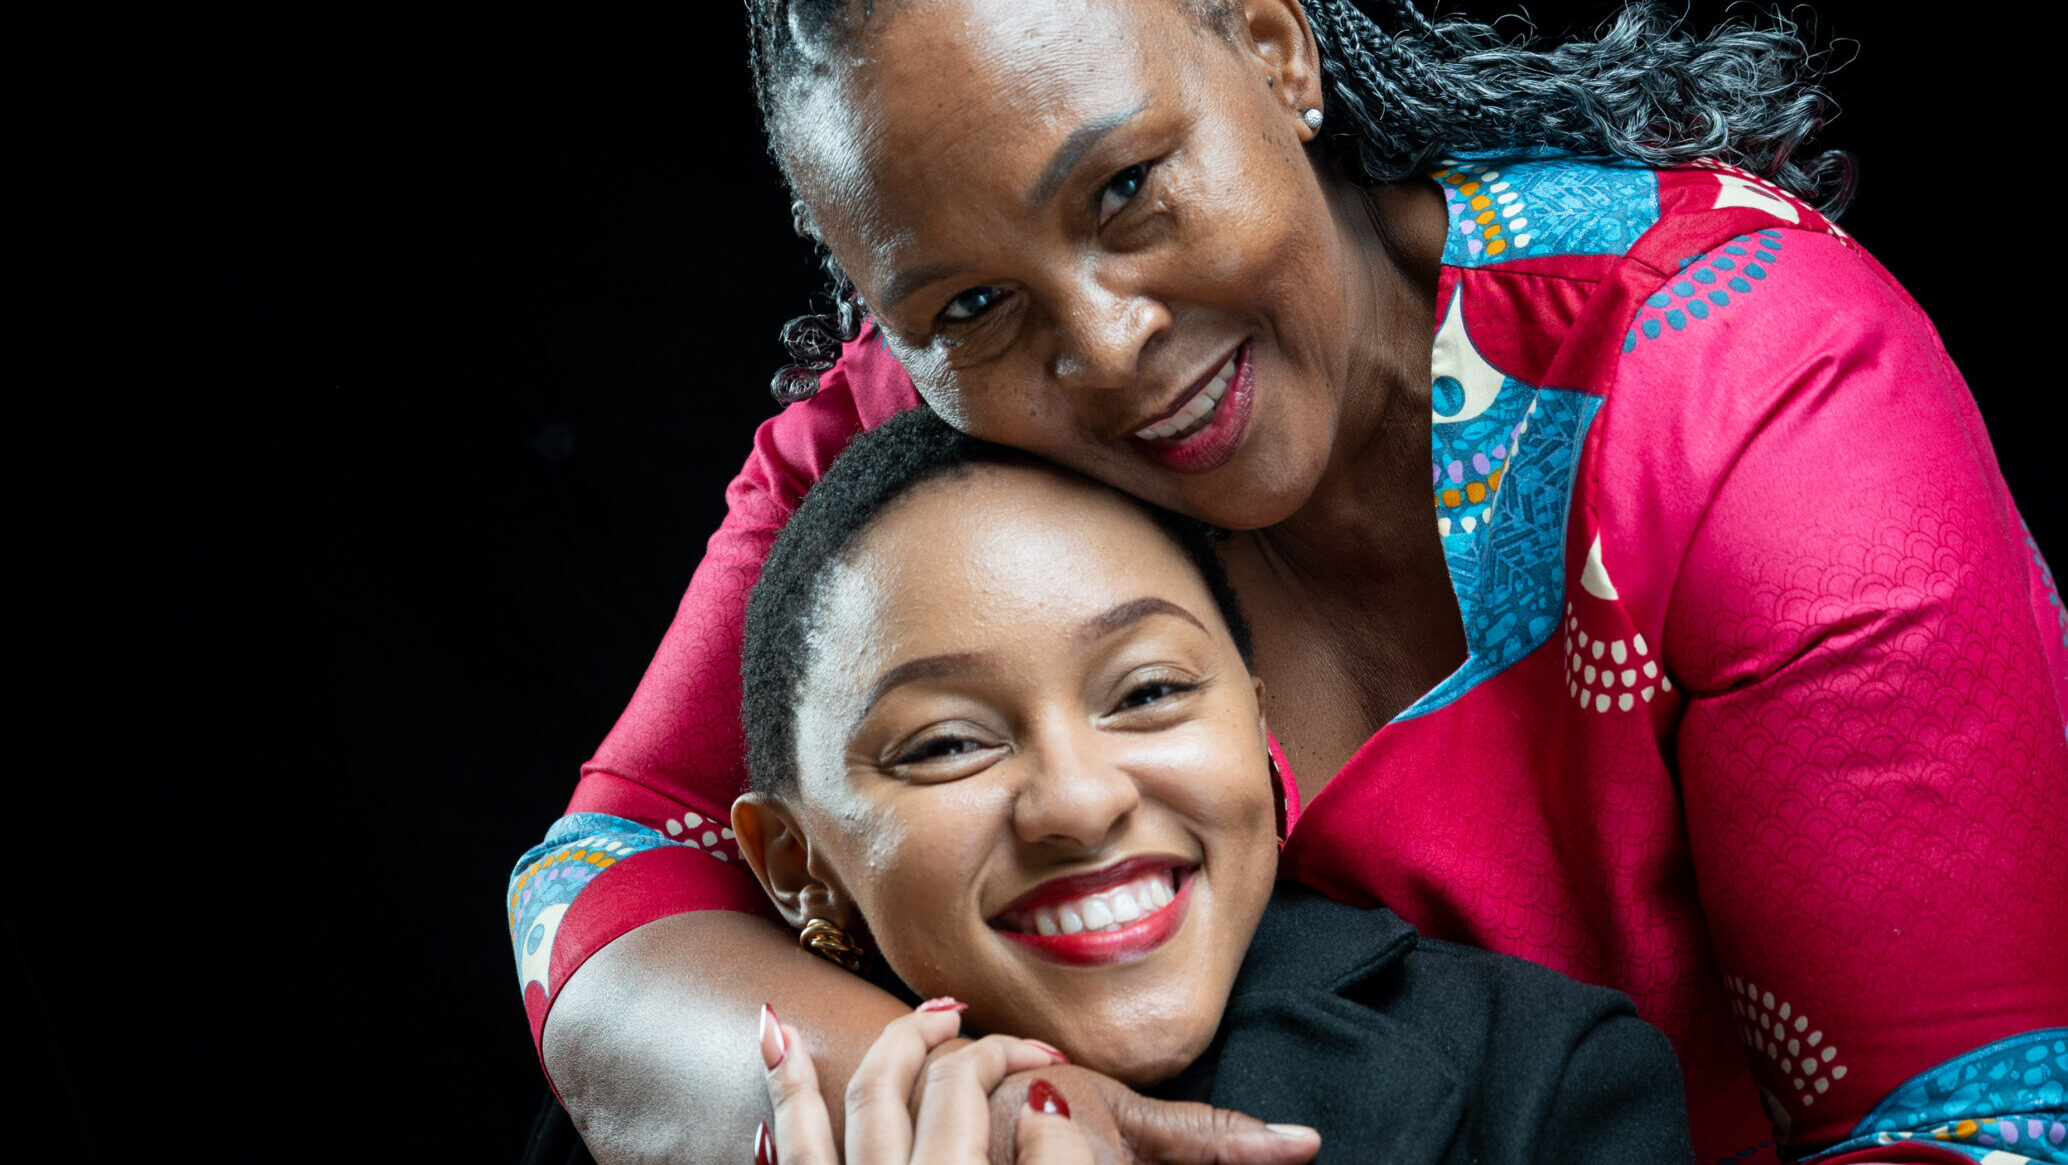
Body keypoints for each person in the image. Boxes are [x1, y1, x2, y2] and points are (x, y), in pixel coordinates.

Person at [506, 2, 2068, 1162]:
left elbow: (1977, 1134)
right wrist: (1009, 1125)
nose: (1105, 346)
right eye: (971, 299)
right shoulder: (933, 419)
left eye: (1124, 189)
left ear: (1272, 48)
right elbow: (598, 887)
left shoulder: (1745, 400)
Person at [728, 406, 1694, 1163]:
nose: (1079, 800)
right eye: (945, 744)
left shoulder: (1549, 1081)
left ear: (1257, 728)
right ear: (797, 864)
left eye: (1148, 690)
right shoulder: (677, 1117)